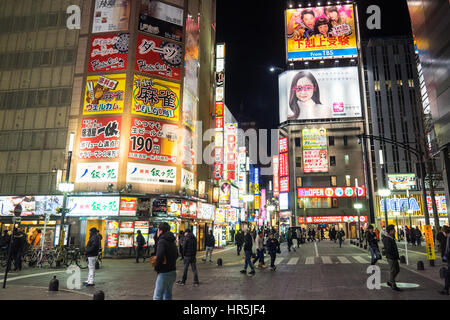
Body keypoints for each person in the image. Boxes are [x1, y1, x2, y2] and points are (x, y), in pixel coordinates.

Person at [153, 222, 177, 300]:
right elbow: (177, 255)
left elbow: (159, 256)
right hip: (172, 271)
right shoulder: (172, 240)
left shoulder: (162, 241)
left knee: (157, 296)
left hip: (164, 272)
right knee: (167, 295)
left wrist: (157, 267)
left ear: (160, 231)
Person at [382, 225, 402, 291]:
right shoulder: (387, 238)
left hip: (394, 256)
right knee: (393, 270)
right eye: (394, 230)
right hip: (391, 257)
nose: (395, 231)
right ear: (390, 231)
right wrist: (393, 255)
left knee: (397, 270)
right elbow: (389, 249)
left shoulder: (390, 237)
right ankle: (393, 285)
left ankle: (391, 281)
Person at [438, 226, 450, 295]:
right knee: (448, 276)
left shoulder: (449, 237)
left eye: (443, 232)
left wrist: (446, 256)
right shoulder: (448, 237)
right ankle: (446, 289)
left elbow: (449, 249)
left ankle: (446, 290)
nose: (443, 233)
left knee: (447, 275)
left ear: (445, 231)